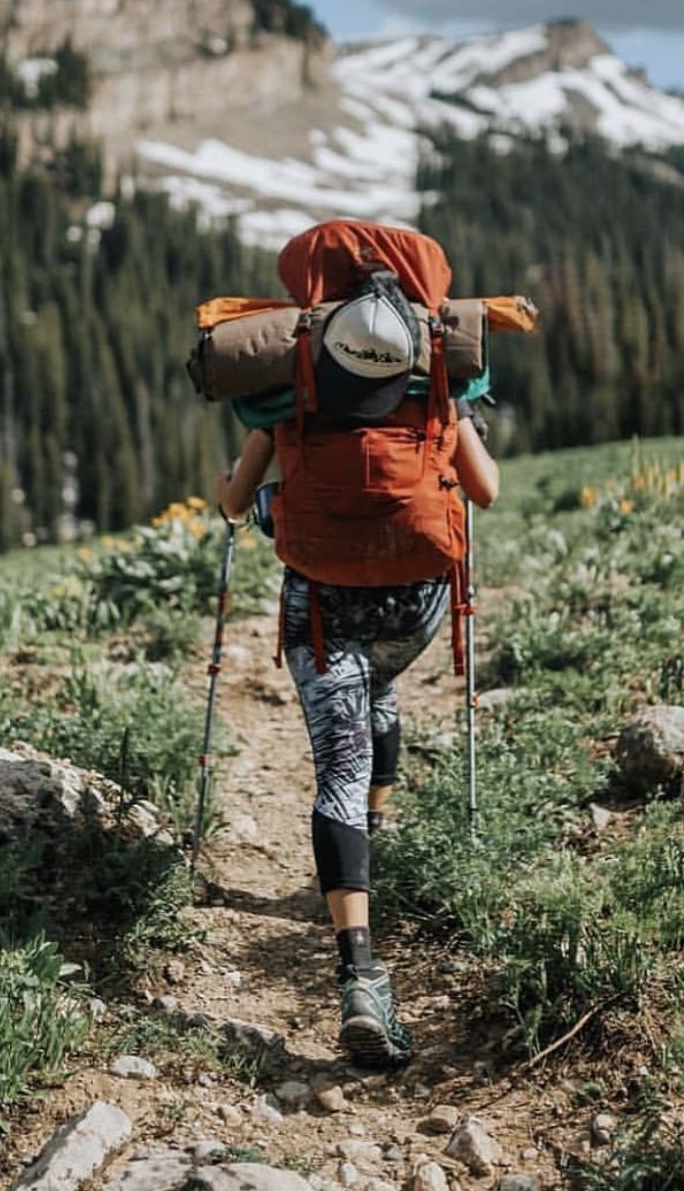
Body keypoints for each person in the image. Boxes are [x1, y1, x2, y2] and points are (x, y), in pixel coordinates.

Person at [214, 282, 499, 1068]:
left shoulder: (288, 386)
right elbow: (486, 489)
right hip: (413, 616)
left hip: (324, 616)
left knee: (335, 767)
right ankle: (375, 831)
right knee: (383, 688)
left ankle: (361, 974)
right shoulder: (436, 379)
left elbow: (234, 506)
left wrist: (259, 496)